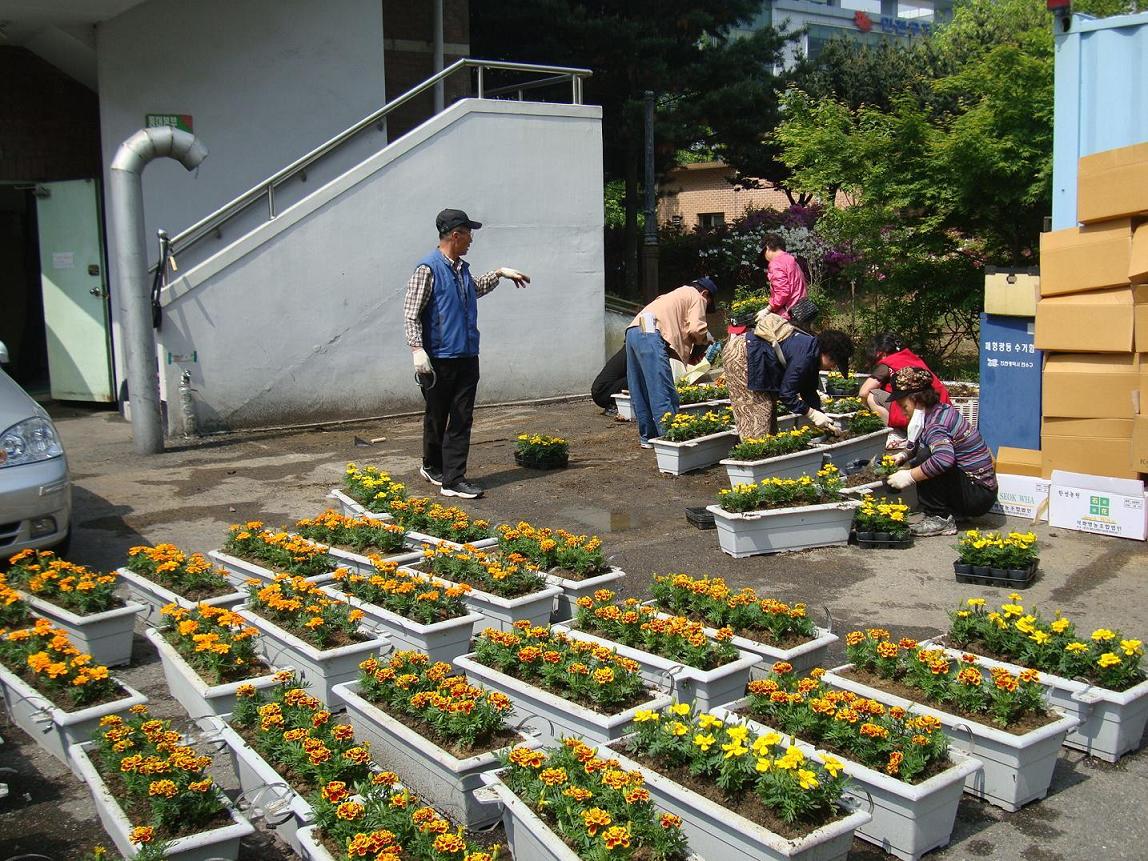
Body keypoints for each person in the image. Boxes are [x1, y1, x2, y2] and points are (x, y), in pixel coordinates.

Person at [404, 208, 530, 499]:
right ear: (456, 235)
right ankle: (432, 465)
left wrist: (499, 273)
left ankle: (453, 478)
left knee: (461, 417)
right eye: (469, 234)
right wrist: (417, 349)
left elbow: (473, 289)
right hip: (439, 357)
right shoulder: (428, 269)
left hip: (466, 355)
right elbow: (411, 314)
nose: (472, 239)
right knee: (437, 414)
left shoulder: (461, 269)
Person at [884, 367, 997, 536]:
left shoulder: (935, 423)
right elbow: (919, 441)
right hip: (978, 490)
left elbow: (944, 459)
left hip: (977, 495)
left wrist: (909, 476)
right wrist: (903, 456)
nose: (902, 411)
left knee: (926, 457)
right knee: (923, 455)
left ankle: (939, 517)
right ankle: (951, 510)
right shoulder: (937, 411)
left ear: (917, 400)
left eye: (903, 405)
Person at [625, 277, 717, 447]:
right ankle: (670, 437)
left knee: (640, 388)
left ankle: (647, 437)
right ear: (705, 293)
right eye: (708, 303)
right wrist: (706, 339)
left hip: (633, 330)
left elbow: (674, 330)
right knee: (662, 388)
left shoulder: (676, 294)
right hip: (651, 333)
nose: (706, 307)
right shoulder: (697, 296)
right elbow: (696, 328)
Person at [744, 312, 854, 435]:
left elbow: (809, 390)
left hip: (760, 356)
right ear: (826, 353)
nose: (833, 367)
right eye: (834, 362)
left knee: (770, 417)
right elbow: (786, 394)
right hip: (747, 355)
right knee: (760, 413)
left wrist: (822, 417)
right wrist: (811, 414)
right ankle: (755, 446)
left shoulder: (813, 354)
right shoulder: (805, 358)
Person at [859, 334, 951, 431]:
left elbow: (863, 392)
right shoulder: (910, 357)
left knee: (872, 395)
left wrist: (865, 409)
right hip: (942, 409)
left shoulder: (888, 362)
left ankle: (895, 432)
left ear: (881, 354)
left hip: (918, 412)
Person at [722, 312, 775, 439]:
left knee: (742, 414)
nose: (736, 334)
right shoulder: (752, 342)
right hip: (755, 389)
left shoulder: (729, 345)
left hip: (741, 393)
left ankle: (750, 443)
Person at [760, 233, 808, 322]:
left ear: (767, 248)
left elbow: (782, 293)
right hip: (803, 310)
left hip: (789, 314)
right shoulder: (791, 259)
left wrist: (767, 309)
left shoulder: (776, 264)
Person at [591, 346, 627, 415]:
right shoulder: (630, 352)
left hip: (600, 392)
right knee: (635, 378)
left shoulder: (626, 350)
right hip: (602, 393)